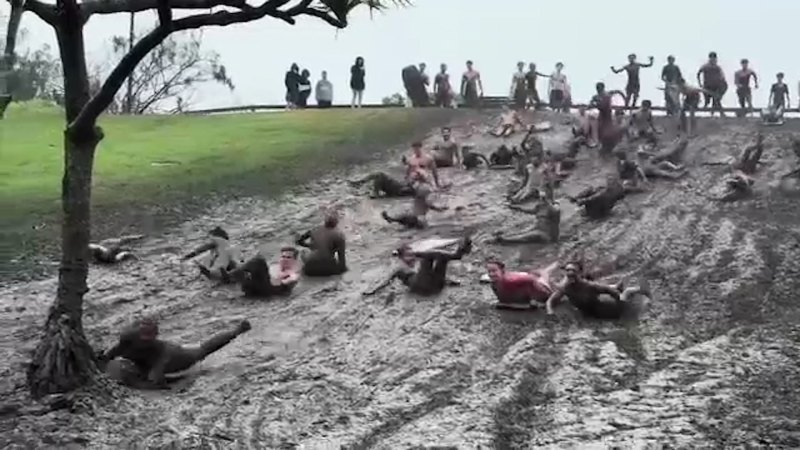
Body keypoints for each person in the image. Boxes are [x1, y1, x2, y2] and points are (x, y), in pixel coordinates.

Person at [99, 317, 251, 389]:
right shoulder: (126, 340)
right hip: (148, 360)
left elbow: (156, 382)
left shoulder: (160, 352)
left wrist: (132, 383)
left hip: (178, 357)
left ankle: (237, 331)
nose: (144, 339)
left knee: (202, 350)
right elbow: (109, 355)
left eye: (147, 337)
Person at [363, 235, 472, 296]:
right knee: (431, 257)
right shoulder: (401, 268)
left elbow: (433, 275)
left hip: (433, 286)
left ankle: (456, 254)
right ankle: (456, 255)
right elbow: (387, 280)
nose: (411, 259)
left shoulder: (410, 267)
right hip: (424, 286)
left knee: (439, 258)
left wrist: (449, 281)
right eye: (408, 256)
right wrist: (373, 290)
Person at [545, 261, 651, 320]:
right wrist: (550, 310)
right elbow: (551, 300)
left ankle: (640, 289)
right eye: (568, 271)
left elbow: (607, 290)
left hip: (603, 308)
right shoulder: (565, 288)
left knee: (625, 295)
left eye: (573, 272)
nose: (570, 274)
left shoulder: (588, 286)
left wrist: (619, 298)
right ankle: (621, 287)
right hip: (591, 311)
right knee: (613, 289)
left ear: (578, 275)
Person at [381, 174, 448, 229]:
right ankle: (392, 219)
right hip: (418, 217)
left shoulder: (418, 194)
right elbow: (432, 206)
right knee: (421, 227)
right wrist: (441, 209)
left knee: (404, 221)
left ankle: (391, 219)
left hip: (412, 214)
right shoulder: (426, 197)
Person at [485, 260, 559, 309]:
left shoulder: (512, 280)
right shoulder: (493, 283)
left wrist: (547, 287)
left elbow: (531, 279)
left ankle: (557, 264)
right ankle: (554, 265)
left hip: (535, 283)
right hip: (524, 280)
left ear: (502, 270)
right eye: (489, 271)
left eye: (494, 271)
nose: (491, 274)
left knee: (544, 274)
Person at [493, 190, 560, 244]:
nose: (541, 200)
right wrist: (514, 207)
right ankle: (502, 237)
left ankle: (504, 240)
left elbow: (556, 225)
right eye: (540, 198)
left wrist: (554, 240)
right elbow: (527, 210)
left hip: (545, 233)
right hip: (537, 228)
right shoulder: (539, 207)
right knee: (522, 232)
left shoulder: (553, 210)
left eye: (543, 199)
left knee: (525, 237)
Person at [228, 247, 300, 298]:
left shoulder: (293, 273)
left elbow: (288, 282)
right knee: (244, 267)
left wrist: (281, 279)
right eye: (283, 257)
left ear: (294, 260)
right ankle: (230, 275)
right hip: (260, 286)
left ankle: (230, 276)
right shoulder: (273, 266)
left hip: (272, 290)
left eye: (288, 257)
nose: (285, 259)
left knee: (259, 261)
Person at [296, 211, 347, 277]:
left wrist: (310, 246)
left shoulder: (314, 229)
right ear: (337, 223)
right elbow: (341, 258)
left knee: (303, 252)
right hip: (328, 269)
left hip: (309, 269)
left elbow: (299, 241)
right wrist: (343, 270)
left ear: (325, 222)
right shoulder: (340, 235)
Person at [590, 82, 627, 153]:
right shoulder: (598, 96)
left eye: (599, 89)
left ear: (602, 88)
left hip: (606, 114)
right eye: (597, 89)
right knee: (600, 127)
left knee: (605, 127)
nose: (598, 90)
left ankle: (602, 143)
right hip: (603, 114)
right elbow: (618, 91)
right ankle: (600, 142)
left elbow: (618, 92)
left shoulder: (606, 95)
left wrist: (625, 100)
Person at [697, 52, 727, 116]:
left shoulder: (717, 67)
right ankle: (713, 109)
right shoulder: (705, 66)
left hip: (716, 86)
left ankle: (717, 113)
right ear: (710, 59)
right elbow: (698, 73)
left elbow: (722, 75)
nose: (713, 60)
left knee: (716, 99)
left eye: (714, 59)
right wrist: (700, 83)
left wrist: (722, 80)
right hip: (707, 86)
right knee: (709, 100)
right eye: (712, 59)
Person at [349, 172, 415, 198]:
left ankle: (375, 192)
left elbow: (409, 190)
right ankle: (360, 183)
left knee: (380, 175)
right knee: (378, 174)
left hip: (397, 188)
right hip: (397, 186)